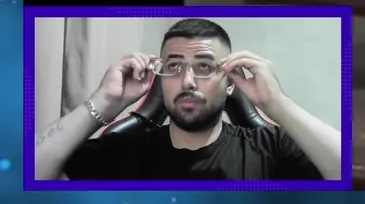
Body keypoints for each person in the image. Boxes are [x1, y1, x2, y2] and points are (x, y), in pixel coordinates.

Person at [34, 18, 341, 181]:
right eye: (174, 67)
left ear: (230, 82)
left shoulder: (272, 149)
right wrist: (103, 102)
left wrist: (277, 104)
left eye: (204, 67)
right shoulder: (122, 152)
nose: (188, 81)